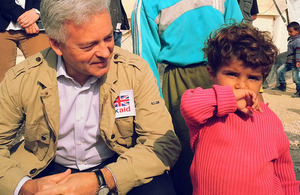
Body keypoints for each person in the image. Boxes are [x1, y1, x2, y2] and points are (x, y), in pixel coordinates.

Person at [0, 0, 181, 194]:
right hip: (46, 167)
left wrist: (103, 179)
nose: (104, 52)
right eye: (89, 46)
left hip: (119, 162)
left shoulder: (135, 71)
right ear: (56, 44)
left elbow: (162, 142)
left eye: (109, 38)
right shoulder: (22, 78)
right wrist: (23, 186)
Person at [131, 1, 243, 194]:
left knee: (232, 150)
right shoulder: (147, 3)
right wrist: (154, 102)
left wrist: (245, 82)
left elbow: (239, 34)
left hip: (225, 74)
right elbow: (144, 57)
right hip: (179, 81)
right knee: (187, 154)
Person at [180, 23, 300, 194]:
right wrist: (229, 99)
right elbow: (189, 105)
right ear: (212, 73)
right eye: (232, 74)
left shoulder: (270, 119)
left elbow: (285, 175)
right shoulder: (208, 113)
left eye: (253, 77)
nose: (241, 85)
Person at [0, 0, 50, 82]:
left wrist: (37, 11)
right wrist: (22, 17)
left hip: (37, 27)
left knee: (44, 71)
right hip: (2, 25)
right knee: (2, 79)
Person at [273, 21, 300, 98]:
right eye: (288, 31)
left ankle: (299, 91)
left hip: (295, 62)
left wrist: (298, 61)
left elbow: (298, 52)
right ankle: (282, 86)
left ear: (297, 31)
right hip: (289, 62)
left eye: (291, 32)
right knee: (279, 71)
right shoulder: (292, 39)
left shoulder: (298, 41)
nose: (289, 33)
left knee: (296, 77)